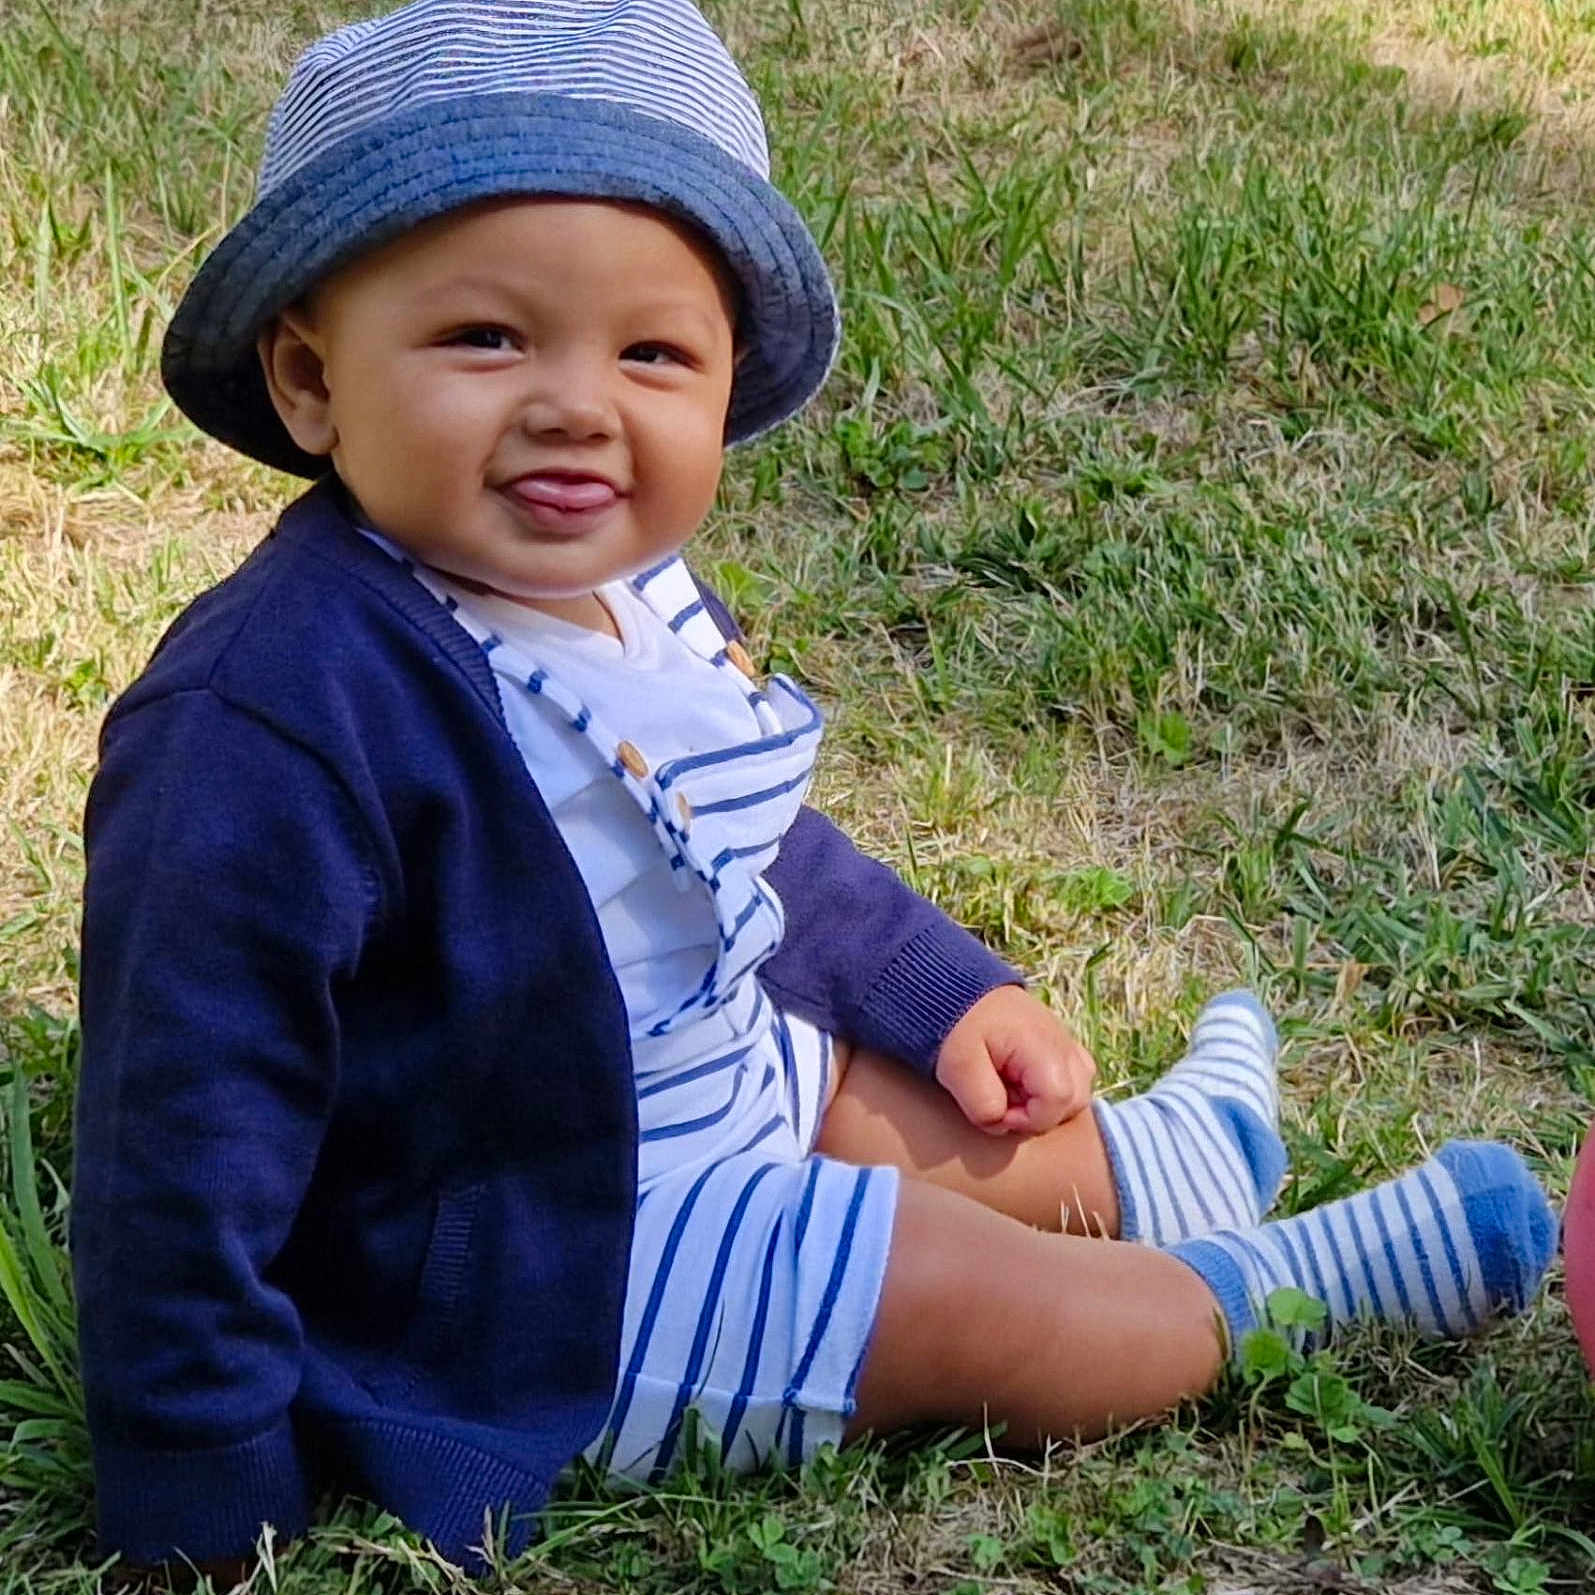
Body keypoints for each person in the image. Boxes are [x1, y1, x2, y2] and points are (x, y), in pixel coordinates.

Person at [73, 0, 1558, 1575]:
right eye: (485, 338)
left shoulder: (623, 586)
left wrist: (942, 991)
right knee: (959, 1287)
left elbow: (750, 839)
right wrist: (197, 1468)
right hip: (547, 1253)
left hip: (714, 1092)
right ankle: (1281, 1294)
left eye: (653, 352)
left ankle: (1157, 1165)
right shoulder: (272, 716)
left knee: (906, 1097)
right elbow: (180, 1125)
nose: (580, 403)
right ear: (311, 379)